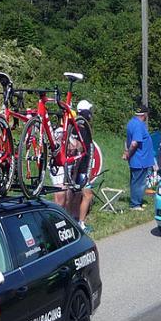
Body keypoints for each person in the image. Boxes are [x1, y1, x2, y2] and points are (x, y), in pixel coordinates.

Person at [69, 99, 97, 232]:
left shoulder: (75, 126)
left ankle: (73, 219)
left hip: (77, 167)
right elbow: (80, 148)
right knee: (87, 195)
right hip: (81, 168)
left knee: (76, 194)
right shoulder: (83, 128)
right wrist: (82, 169)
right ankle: (80, 222)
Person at [123, 105, 155, 210]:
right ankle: (135, 204)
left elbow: (127, 140)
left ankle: (138, 201)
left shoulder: (132, 122)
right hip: (140, 159)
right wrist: (128, 153)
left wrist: (127, 152)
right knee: (139, 182)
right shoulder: (138, 125)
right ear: (144, 114)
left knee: (137, 181)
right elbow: (134, 143)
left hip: (139, 159)